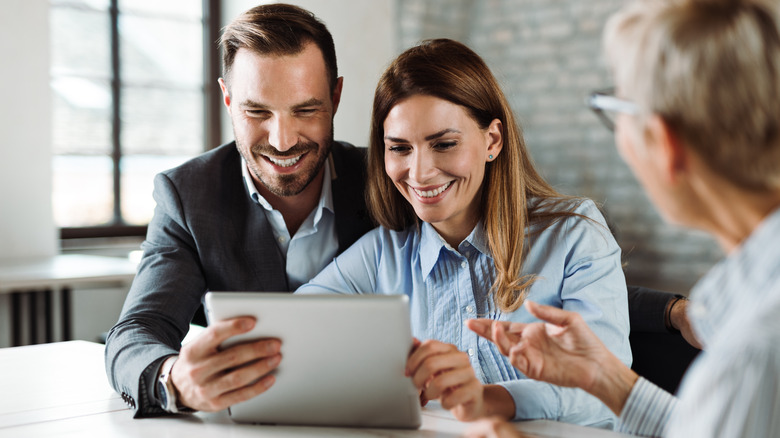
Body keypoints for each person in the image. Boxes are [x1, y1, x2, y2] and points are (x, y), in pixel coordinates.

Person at [468, 0, 780, 436]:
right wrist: (607, 379)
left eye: (618, 113)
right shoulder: (748, 292)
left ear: (665, 144)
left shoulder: (755, 347)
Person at [296, 38, 632, 427]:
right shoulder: (379, 256)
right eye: (400, 148)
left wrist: (487, 398)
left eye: (444, 144)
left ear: (492, 141)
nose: (419, 173)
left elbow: (611, 388)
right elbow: (296, 335)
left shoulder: (574, 235)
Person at [104, 3, 374, 417]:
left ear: (335, 98)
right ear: (228, 99)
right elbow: (136, 332)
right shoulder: (188, 195)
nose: (282, 141)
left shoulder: (386, 181)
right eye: (257, 111)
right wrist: (173, 380)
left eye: (305, 110)